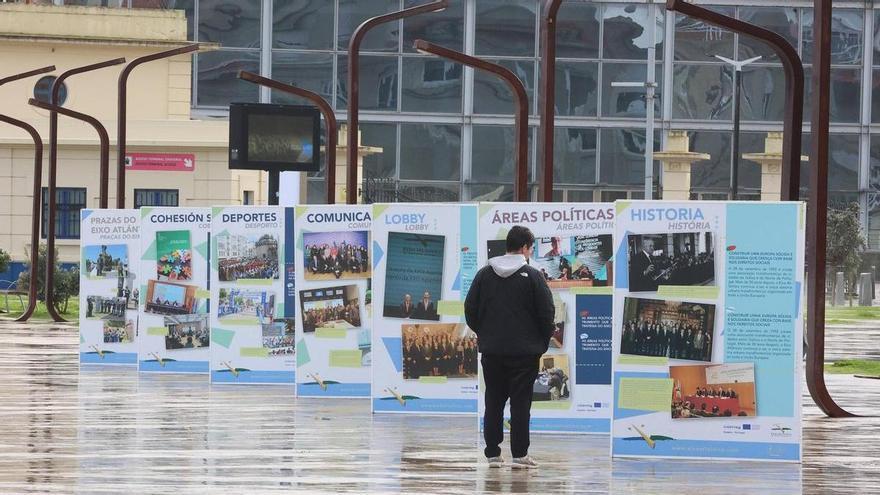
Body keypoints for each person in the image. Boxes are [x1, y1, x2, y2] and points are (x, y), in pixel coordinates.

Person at [465, 225, 554, 469]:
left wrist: (485, 334)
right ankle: (519, 455)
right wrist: (541, 344)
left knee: (493, 400)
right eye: (531, 248)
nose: (530, 253)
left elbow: (470, 310)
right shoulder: (534, 276)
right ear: (525, 248)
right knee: (521, 403)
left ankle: (493, 454)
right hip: (525, 353)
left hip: (492, 351)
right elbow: (547, 314)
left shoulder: (484, 274)